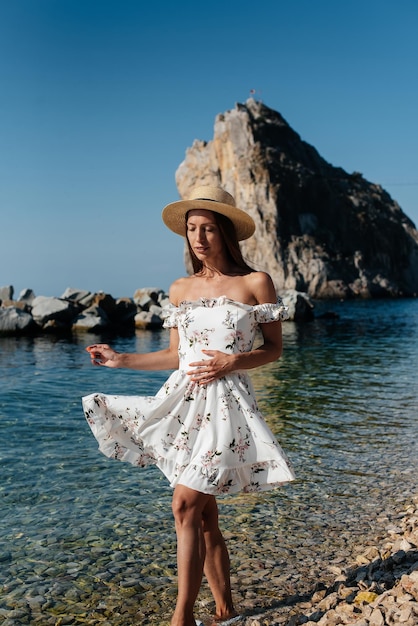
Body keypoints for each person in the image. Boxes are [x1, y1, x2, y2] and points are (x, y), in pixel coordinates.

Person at [82, 186, 295, 626]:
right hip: (183, 405)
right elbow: (174, 356)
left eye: (208, 229)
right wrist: (120, 359)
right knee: (203, 519)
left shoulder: (255, 282)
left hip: (228, 406)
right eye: (192, 229)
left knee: (184, 504)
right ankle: (225, 611)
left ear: (226, 232)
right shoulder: (180, 288)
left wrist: (234, 360)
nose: (198, 237)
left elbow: (273, 350)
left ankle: (180, 619)